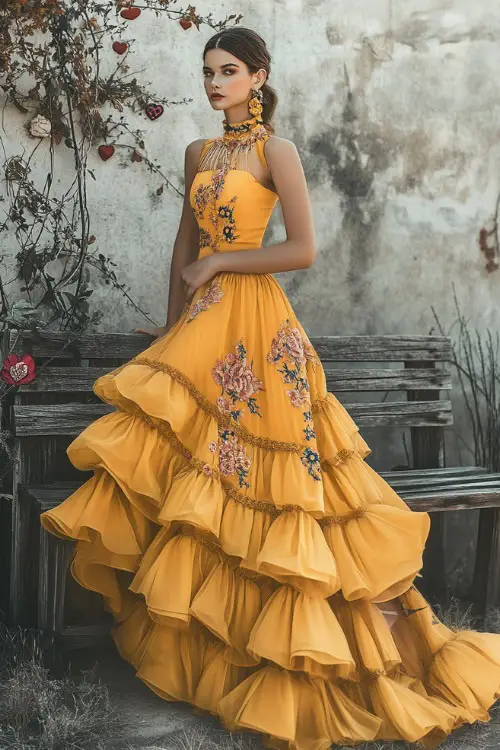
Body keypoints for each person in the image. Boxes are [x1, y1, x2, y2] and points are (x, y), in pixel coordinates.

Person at [41, 26, 500, 750]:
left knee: (279, 487)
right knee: (207, 488)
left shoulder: (274, 152)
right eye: (208, 71)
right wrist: (169, 334)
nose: (214, 82)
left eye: (228, 71)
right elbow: (181, 253)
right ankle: (222, 655)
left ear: (257, 78)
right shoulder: (198, 153)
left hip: (262, 331)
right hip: (204, 333)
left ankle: (335, 654)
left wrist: (223, 266)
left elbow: (302, 248)